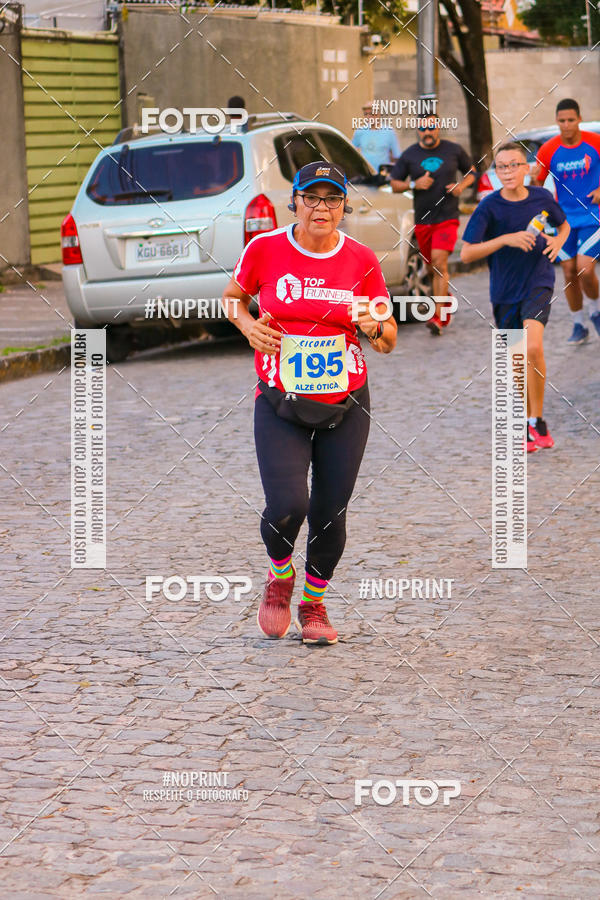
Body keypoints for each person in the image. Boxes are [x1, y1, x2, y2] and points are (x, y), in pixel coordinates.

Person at [221, 162, 397, 645]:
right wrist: (247, 325)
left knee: (329, 512)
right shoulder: (265, 248)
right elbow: (232, 297)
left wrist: (372, 327)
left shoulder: (361, 260)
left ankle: (314, 605)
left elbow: (389, 339)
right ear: (294, 201)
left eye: (333, 199)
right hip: (280, 399)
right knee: (287, 505)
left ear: (344, 206)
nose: (322, 208)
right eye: (312, 198)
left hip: (346, 403)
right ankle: (280, 578)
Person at [461, 142, 570, 452]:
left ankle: (537, 420)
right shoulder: (489, 206)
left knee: (533, 345)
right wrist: (505, 239)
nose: (507, 171)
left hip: (538, 279)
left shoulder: (541, 197)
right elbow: (467, 253)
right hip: (504, 290)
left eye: (513, 165)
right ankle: (526, 421)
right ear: (496, 172)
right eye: (501, 166)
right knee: (518, 359)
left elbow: (564, 225)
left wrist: (557, 243)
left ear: (527, 168)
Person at [390, 116, 476, 335]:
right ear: (418, 130)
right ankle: (445, 298)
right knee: (430, 268)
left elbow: (472, 172)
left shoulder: (453, 150)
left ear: (439, 127)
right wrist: (413, 183)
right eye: (422, 128)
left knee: (439, 262)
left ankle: (437, 317)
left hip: (447, 217)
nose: (427, 131)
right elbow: (394, 184)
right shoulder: (409, 155)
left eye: (431, 127)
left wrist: (460, 186)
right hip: (423, 219)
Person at [534, 98, 600, 344]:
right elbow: (537, 185)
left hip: (593, 215)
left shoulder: (595, 142)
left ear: (579, 119)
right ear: (557, 121)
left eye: (571, 120)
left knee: (585, 267)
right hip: (563, 220)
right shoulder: (548, 149)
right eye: (561, 120)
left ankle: (595, 310)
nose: (566, 125)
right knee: (569, 271)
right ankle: (579, 323)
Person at [352, 101, 401, 172]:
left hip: (382, 176)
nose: (369, 117)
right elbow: (351, 152)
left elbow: (396, 156)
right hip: (365, 174)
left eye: (372, 114)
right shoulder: (359, 131)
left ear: (378, 114)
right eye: (366, 114)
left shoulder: (389, 132)